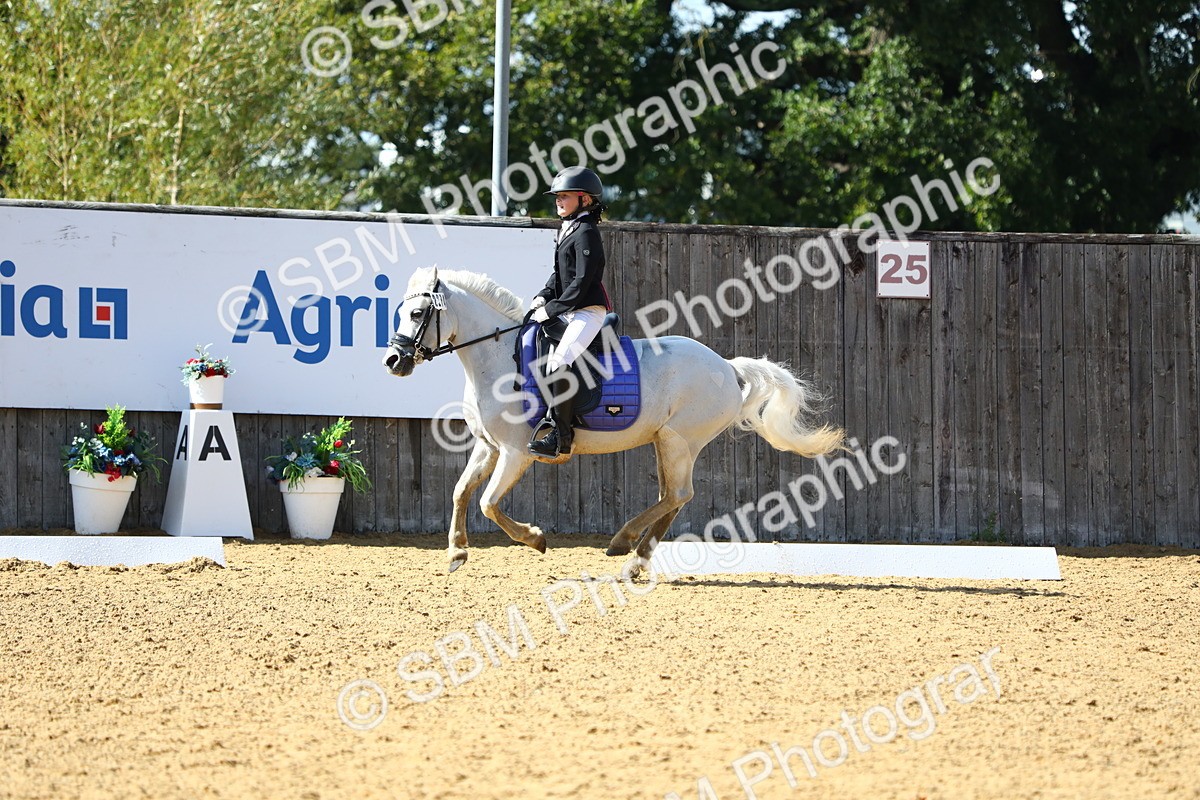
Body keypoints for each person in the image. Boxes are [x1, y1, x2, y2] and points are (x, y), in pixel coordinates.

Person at [527, 166, 610, 458]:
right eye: (557, 197)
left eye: (564, 196)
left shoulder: (587, 232)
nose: (558, 201)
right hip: (569, 309)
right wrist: (543, 296)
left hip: (587, 310)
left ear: (584, 199)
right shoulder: (569, 229)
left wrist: (552, 309)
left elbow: (582, 281)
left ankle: (561, 436)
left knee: (559, 362)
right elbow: (559, 275)